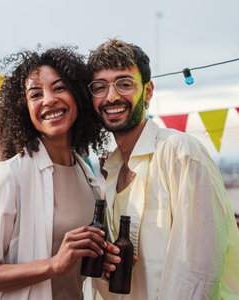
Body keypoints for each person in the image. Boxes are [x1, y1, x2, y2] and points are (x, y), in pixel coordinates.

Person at [87, 39, 239, 299]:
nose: (111, 96)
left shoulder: (180, 153)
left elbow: (196, 275)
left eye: (124, 84)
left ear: (147, 92)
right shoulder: (112, 170)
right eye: (100, 87)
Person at [0, 47, 111, 300]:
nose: (48, 99)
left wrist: (107, 259)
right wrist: (53, 265)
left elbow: (80, 267)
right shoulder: (9, 175)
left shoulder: (87, 176)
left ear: (78, 95)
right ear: (24, 108)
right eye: (35, 94)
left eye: (59, 88)